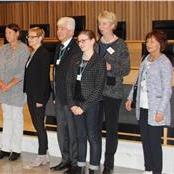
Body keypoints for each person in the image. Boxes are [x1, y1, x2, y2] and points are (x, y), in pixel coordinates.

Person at [125, 30, 172, 174]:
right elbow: (138, 81)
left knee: (154, 143)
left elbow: (167, 90)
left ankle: (157, 171)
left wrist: (160, 111)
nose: (148, 44)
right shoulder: (145, 59)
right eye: (147, 41)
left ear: (160, 44)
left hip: (156, 109)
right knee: (145, 141)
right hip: (143, 106)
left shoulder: (164, 62)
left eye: (152, 41)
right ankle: (148, 168)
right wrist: (130, 97)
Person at [66, 30, 106, 174]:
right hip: (75, 103)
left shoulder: (99, 61)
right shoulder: (75, 59)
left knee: (93, 136)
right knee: (80, 136)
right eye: (79, 41)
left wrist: (84, 107)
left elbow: (98, 89)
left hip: (92, 104)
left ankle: (94, 168)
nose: (81, 44)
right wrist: (72, 104)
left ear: (92, 41)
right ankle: (80, 166)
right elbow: (69, 83)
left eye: (84, 40)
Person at [97, 11, 131, 174]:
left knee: (111, 128)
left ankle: (109, 163)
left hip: (112, 92)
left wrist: (110, 68)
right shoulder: (96, 44)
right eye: (99, 23)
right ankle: (94, 160)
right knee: (94, 127)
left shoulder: (121, 45)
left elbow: (125, 69)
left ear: (113, 25)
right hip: (96, 92)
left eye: (104, 23)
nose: (100, 27)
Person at [0, 24, 29, 161]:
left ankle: (16, 149)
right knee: (7, 119)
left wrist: (8, 85)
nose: (7, 35)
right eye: (6, 33)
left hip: (17, 90)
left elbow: (22, 72)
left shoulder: (24, 50)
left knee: (17, 120)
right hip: (4, 90)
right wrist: (1, 84)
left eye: (10, 33)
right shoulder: (2, 49)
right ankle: (5, 148)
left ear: (17, 33)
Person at [50, 17, 82, 174]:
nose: (58, 31)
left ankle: (75, 164)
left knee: (73, 131)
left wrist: (75, 100)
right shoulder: (58, 47)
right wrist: (55, 94)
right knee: (62, 130)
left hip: (71, 99)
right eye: (57, 28)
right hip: (60, 96)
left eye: (61, 28)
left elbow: (78, 76)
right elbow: (56, 72)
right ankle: (65, 159)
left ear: (71, 31)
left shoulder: (77, 48)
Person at [23, 27, 52, 167]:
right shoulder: (33, 52)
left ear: (40, 38)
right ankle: (44, 154)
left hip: (38, 96)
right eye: (28, 37)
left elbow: (43, 78)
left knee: (39, 125)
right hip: (32, 94)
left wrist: (40, 99)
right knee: (37, 124)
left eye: (33, 37)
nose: (29, 39)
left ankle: (41, 155)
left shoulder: (43, 53)